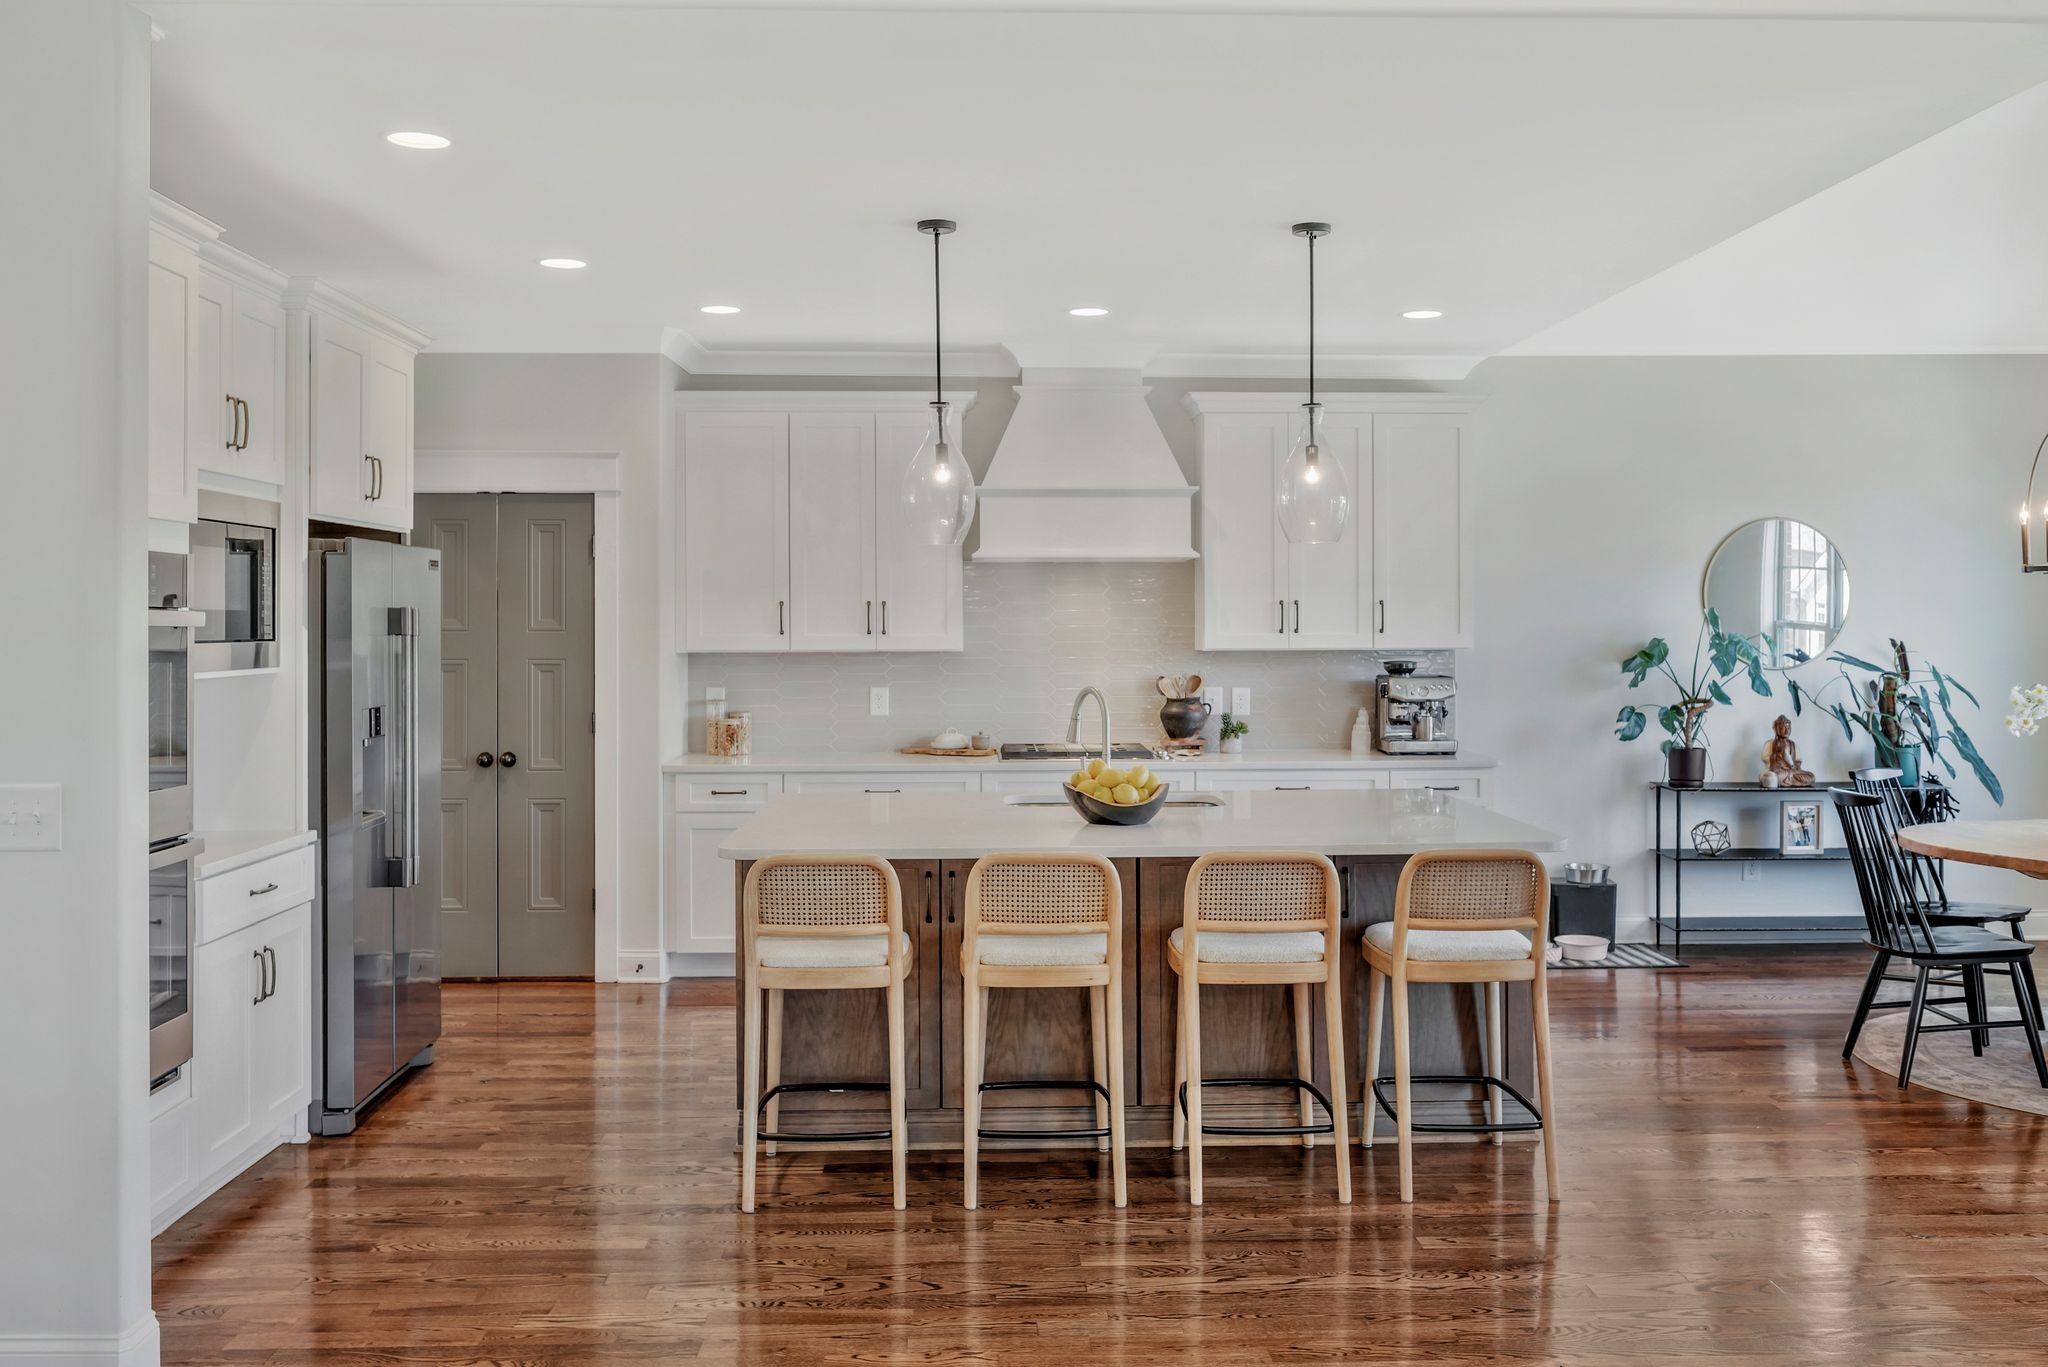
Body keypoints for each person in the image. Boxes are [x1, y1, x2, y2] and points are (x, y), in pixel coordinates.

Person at [1763, 714, 1815, 787]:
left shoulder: (1792, 744)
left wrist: (1797, 765)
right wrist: (1792, 765)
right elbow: (1786, 754)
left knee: (1811, 776)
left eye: (1789, 728)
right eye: (1783, 728)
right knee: (1773, 777)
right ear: (1777, 729)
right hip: (1781, 772)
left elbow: (1797, 761)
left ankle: (1790, 780)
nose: (1787, 730)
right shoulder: (1777, 743)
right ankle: (1787, 780)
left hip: (1792, 772)